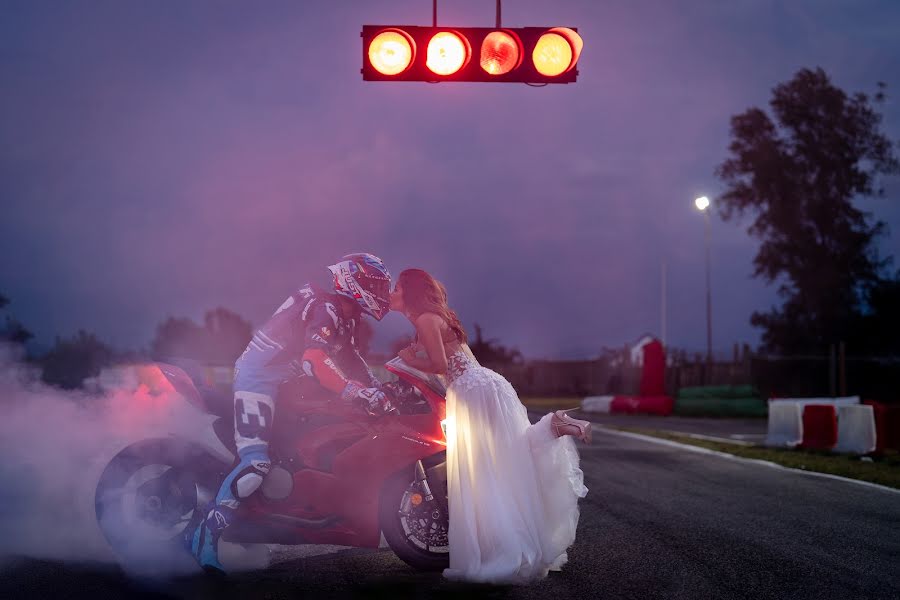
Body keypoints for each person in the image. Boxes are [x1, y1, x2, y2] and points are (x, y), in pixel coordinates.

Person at [187, 253, 396, 573]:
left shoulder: (346, 314)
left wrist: (379, 390)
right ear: (353, 282)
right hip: (260, 379)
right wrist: (356, 391)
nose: (381, 293)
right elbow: (314, 359)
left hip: (289, 382)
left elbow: (352, 360)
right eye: (374, 285)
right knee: (255, 462)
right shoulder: (326, 308)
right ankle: (205, 535)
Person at [391, 268, 590, 585]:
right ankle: (554, 424)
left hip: (474, 393)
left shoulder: (426, 320)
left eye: (396, 287)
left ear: (409, 292)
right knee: (510, 456)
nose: (391, 292)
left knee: (489, 469)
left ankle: (504, 548)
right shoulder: (430, 319)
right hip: (483, 387)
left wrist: (408, 358)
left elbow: (440, 366)